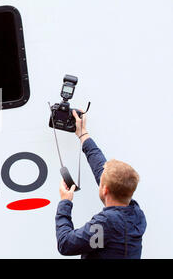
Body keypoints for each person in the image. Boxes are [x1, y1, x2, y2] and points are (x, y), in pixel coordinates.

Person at [55, 110, 147, 259]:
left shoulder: (105, 225)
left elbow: (65, 244)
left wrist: (65, 202)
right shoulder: (136, 214)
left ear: (105, 189)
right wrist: (83, 134)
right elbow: (102, 170)